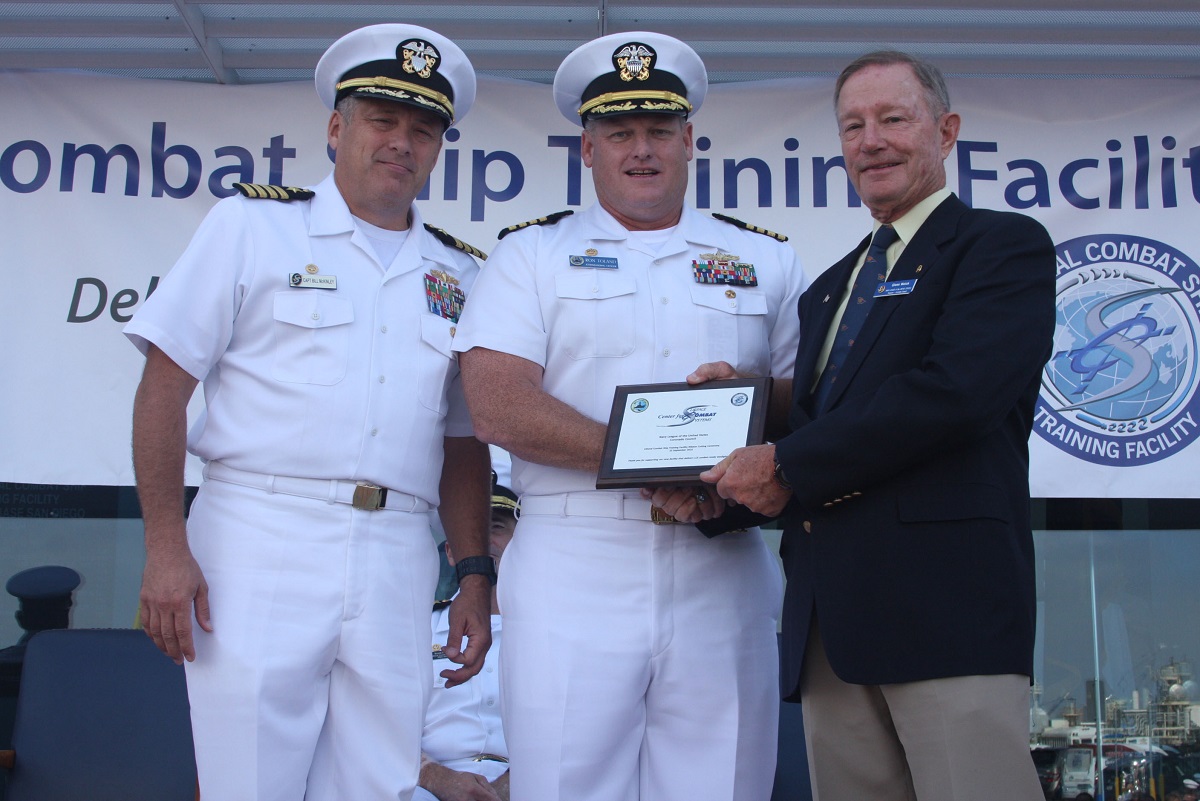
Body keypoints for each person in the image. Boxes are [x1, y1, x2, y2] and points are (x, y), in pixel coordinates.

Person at [124, 23, 495, 801]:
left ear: (437, 149)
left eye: (422, 130)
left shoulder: (459, 271)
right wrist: (164, 543)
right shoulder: (252, 226)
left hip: (398, 550)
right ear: (336, 128)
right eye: (382, 121)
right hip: (258, 538)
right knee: (247, 781)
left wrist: (471, 572)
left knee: (381, 780)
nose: (402, 142)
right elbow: (164, 389)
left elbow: (463, 443)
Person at [451, 31, 806, 801]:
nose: (640, 150)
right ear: (587, 149)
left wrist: (738, 431)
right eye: (620, 133)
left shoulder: (768, 260)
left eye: (658, 132)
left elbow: (802, 401)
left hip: (722, 559)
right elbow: (497, 404)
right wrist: (663, 460)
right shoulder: (530, 256)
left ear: (690, 141)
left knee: (726, 785)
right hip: (575, 558)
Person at [701, 50, 1053, 801]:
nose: (871, 141)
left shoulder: (1000, 247)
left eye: (894, 118)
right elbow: (836, 421)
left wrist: (783, 464)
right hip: (832, 625)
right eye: (853, 126)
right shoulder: (831, 289)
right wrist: (735, 429)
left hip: (947, 618)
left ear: (946, 130)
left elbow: (952, 394)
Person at [416, 484, 518, 801]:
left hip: (529, 781)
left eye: (497, 528)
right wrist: (435, 778)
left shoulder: (550, 633)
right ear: (449, 552)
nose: (484, 542)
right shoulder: (417, 628)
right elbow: (378, 722)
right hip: (426, 785)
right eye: (470, 536)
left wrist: (510, 787)